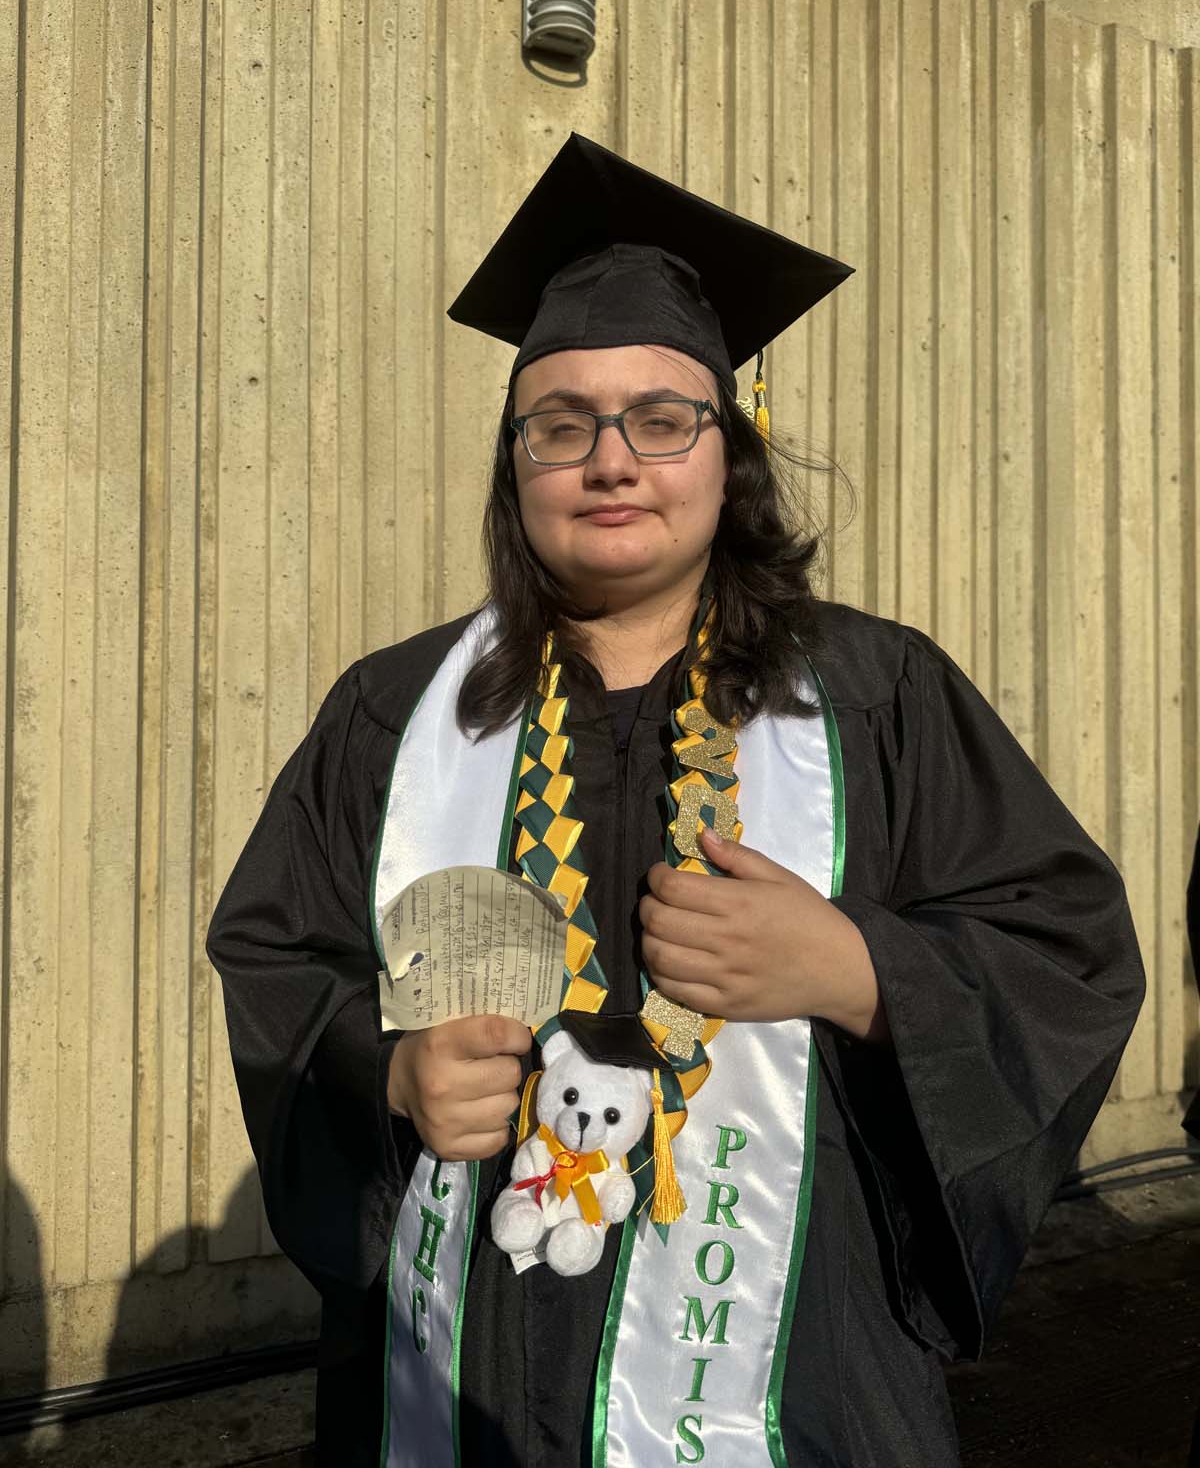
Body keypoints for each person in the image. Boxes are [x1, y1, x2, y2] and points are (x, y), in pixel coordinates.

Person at [207, 133, 1145, 1467]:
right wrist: (389, 1072)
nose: (611, 461)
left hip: (792, 1381)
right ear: (515, 461)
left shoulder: (880, 698)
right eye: (562, 424)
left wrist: (866, 971)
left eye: (662, 418)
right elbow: (276, 955)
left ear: (727, 449)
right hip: (465, 1363)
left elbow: (1070, 950)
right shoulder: (394, 713)